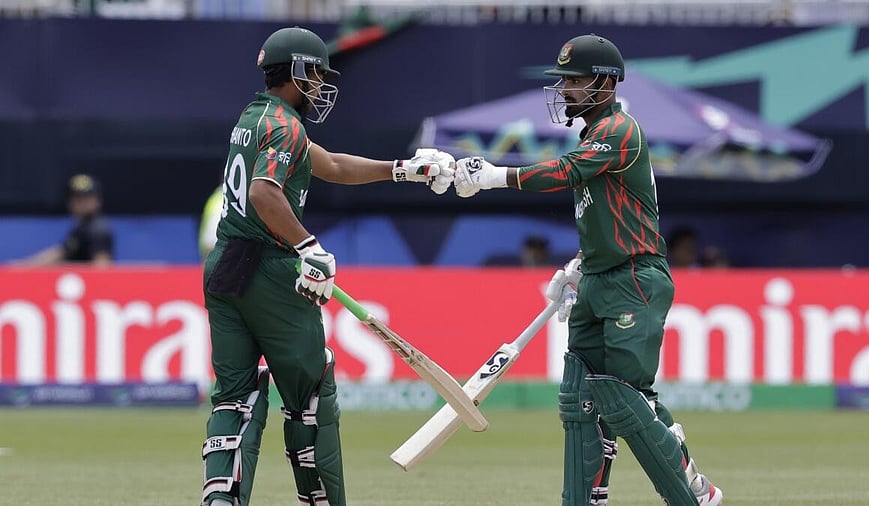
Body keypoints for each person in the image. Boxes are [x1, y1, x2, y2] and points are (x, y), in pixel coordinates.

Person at [453, 34, 721, 506]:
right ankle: (586, 499)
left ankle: (691, 491)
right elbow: (604, 216)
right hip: (600, 277)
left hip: (635, 278)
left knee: (623, 395)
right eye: (564, 81)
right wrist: (580, 265)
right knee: (582, 398)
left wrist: (496, 176)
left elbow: (565, 172)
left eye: (575, 81)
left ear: (605, 83)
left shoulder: (620, 130)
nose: (565, 90)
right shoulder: (593, 134)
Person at [199, 26, 454, 506]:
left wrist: (403, 169)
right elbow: (263, 192)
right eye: (315, 74)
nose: (320, 85)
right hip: (268, 271)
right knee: (312, 396)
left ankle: (220, 499)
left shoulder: (254, 118)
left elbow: (331, 165)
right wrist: (308, 246)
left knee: (234, 396)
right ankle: (321, 500)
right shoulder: (285, 126)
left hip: (226, 268)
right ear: (296, 71)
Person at [17, 174, 113, 266]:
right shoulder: (81, 227)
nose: (80, 203)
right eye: (76, 198)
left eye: (86, 198)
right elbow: (60, 252)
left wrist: (66, 270)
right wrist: (26, 266)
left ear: (97, 201)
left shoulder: (99, 229)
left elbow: (101, 266)